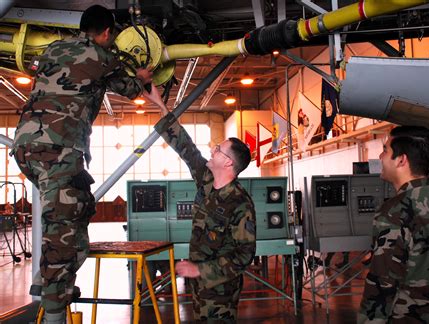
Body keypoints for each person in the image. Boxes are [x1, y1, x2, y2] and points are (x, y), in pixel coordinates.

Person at [12, 5, 152, 323]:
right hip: (57, 150)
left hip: (27, 149)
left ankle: (54, 282)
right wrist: (143, 76)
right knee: (62, 226)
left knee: (77, 208)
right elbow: (131, 88)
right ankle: (55, 305)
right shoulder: (102, 57)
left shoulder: (53, 48)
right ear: (105, 33)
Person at [146, 84, 256, 322]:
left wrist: (199, 269)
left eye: (219, 150)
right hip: (199, 288)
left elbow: (244, 255)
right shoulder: (206, 181)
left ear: (228, 163)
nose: (213, 150)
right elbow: (185, 146)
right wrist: (159, 104)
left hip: (221, 293)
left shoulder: (239, 202)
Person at [358, 125, 429, 323]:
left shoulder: (393, 211)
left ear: (401, 160)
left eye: (386, 150)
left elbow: (383, 285)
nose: (381, 156)